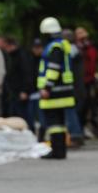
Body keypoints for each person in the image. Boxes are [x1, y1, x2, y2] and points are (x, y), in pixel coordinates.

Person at [37, 17, 75, 159]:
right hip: (62, 91)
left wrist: (47, 87)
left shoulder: (54, 47)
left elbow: (53, 69)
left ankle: (57, 151)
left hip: (54, 92)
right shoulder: (62, 45)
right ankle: (60, 150)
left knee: (54, 123)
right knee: (59, 123)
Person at [61, 29, 85, 147]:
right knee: (74, 111)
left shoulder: (69, 52)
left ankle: (75, 136)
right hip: (79, 86)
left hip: (73, 87)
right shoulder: (77, 50)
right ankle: (76, 135)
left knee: (70, 112)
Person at [2, 36, 32, 122]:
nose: (5, 49)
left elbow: (27, 74)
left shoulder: (21, 56)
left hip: (20, 93)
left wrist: (25, 91)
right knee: (13, 117)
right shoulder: (10, 56)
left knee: (22, 117)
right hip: (13, 92)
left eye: (6, 46)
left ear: (11, 45)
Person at [75, 27, 98, 134]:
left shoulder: (90, 48)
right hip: (80, 80)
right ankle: (80, 127)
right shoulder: (76, 49)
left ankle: (85, 126)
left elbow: (93, 62)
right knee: (81, 105)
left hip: (89, 80)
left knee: (89, 104)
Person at [27, 38, 43, 133]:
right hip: (31, 93)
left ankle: (41, 135)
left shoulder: (45, 59)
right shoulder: (29, 59)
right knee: (31, 117)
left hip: (42, 92)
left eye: (39, 47)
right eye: (35, 48)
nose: (37, 50)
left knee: (41, 117)